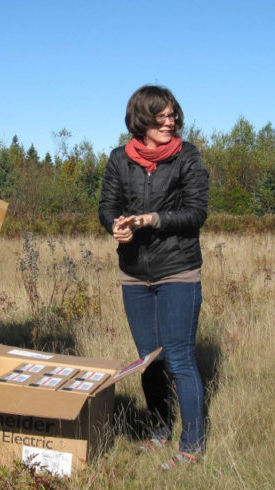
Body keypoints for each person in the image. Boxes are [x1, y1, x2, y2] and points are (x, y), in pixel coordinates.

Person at [99, 85, 209, 468]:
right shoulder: (119, 159)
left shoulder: (187, 157)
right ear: (141, 119)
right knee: (149, 360)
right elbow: (107, 206)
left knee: (178, 358)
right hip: (134, 274)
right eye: (160, 116)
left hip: (178, 270)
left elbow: (196, 213)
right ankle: (159, 431)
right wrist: (117, 226)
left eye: (172, 114)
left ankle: (192, 446)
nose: (169, 121)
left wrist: (152, 219)